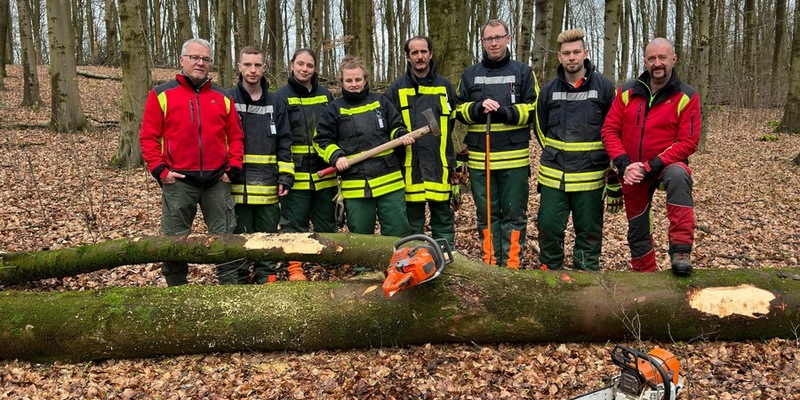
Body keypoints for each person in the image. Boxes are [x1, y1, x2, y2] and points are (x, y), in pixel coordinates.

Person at [139, 38, 244, 286]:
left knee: (224, 240)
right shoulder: (161, 94)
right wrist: (160, 171)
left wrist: (233, 169)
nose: (200, 63)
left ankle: (230, 292)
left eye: (205, 59)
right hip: (178, 181)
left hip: (217, 181)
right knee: (174, 242)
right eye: (195, 58)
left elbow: (236, 137)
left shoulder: (223, 97)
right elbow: (148, 137)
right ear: (182, 60)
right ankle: (177, 293)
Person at [601, 37, 701, 276]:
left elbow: (689, 141)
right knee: (637, 227)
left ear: (673, 59)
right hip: (632, 169)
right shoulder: (626, 91)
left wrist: (651, 165)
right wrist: (624, 165)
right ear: (645, 61)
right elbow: (609, 130)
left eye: (662, 58)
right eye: (652, 58)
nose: (657, 63)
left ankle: (680, 251)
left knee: (679, 175)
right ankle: (645, 275)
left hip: (665, 165)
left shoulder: (686, 95)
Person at [453, 19, 539, 269]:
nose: (493, 43)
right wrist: (478, 108)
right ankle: (490, 264)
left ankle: (511, 264)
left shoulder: (524, 72)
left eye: (498, 37)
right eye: (488, 38)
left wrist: (506, 113)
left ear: (508, 38)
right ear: (482, 42)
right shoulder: (470, 74)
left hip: (515, 159)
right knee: (486, 215)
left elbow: (534, 109)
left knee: (514, 215)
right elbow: (458, 110)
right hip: (481, 160)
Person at [534, 29, 616, 271]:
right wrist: (554, 153)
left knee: (589, 231)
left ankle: (585, 279)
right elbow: (539, 127)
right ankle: (551, 274)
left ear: (585, 54)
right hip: (554, 175)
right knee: (548, 226)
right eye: (567, 53)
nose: (572, 57)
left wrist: (610, 164)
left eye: (576, 52)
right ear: (559, 57)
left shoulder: (604, 87)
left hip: (590, 177)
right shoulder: (548, 90)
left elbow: (613, 128)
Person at [313, 55, 414, 238]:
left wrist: (401, 136)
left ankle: (399, 266)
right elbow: (320, 140)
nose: (354, 84)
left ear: (365, 79)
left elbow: (396, 126)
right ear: (341, 82)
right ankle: (364, 268)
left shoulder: (380, 102)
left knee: (398, 232)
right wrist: (336, 156)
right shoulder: (334, 109)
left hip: (389, 180)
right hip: (356, 184)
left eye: (358, 79)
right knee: (361, 237)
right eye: (349, 80)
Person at [227, 46, 295, 284]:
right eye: (247, 65)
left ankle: (267, 277)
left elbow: (285, 142)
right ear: (239, 67)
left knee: (267, 237)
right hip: (235, 187)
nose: (252, 70)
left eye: (257, 65)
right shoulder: (228, 100)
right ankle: (241, 279)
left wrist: (286, 176)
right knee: (240, 238)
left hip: (267, 188)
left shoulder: (276, 103)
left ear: (264, 68)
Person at [385, 36, 457, 248]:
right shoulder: (395, 89)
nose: (420, 57)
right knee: (413, 222)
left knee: (443, 219)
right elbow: (389, 126)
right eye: (414, 53)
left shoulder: (445, 86)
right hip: (409, 166)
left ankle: (445, 259)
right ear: (408, 57)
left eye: (423, 51)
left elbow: (452, 121)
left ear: (431, 54)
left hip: (440, 163)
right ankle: (415, 263)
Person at [274, 49, 337, 280]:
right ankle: (295, 267)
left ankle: (330, 263)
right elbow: (280, 138)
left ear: (315, 68)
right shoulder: (280, 97)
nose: (304, 69)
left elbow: (333, 130)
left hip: (324, 172)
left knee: (327, 222)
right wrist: (283, 172)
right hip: (295, 172)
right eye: (300, 64)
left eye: (309, 65)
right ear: (291, 65)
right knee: (294, 222)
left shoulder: (326, 95)